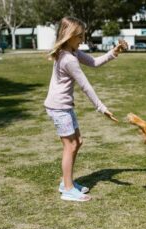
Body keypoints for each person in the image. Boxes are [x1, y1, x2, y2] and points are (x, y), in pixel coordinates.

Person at [44, 16, 127, 202]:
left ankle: (67, 182)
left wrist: (115, 51)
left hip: (64, 106)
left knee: (78, 141)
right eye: (80, 37)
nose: (82, 40)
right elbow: (86, 86)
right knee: (70, 145)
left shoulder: (71, 52)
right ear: (69, 36)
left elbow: (95, 63)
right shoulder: (68, 59)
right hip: (59, 108)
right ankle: (67, 189)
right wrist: (102, 108)